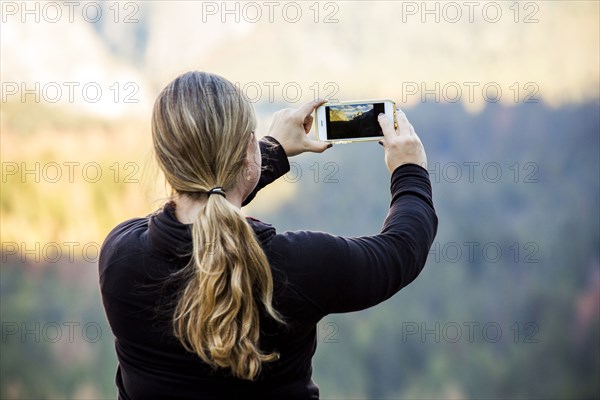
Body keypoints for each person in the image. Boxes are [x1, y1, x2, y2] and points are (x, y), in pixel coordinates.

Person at [99, 71, 438, 400]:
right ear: (248, 150)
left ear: (164, 159)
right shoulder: (299, 266)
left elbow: (208, 199)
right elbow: (400, 251)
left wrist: (271, 151)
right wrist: (410, 169)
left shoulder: (119, 258)